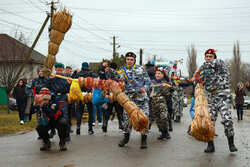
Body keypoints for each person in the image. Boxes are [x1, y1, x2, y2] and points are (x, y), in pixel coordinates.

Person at [193, 49, 237, 153]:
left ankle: (231, 143)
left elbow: (213, 63)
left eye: (210, 56)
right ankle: (210, 145)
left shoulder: (220, 64)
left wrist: (199, 69)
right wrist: (197, 78)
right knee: (209, 122)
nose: (208, 58)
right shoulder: (206, 72)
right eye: (206, 57)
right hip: (212, 97)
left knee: (227, 120)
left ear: (214, 57)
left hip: (223, 97)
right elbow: (202, 82)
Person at [117, 52, 151, 149]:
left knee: (144, 118)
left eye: (131, 60)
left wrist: (145, 88)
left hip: (141, 99)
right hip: (128, 100)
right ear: (126, 60)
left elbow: (148, 81)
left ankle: (143, 140)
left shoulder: (141, 69)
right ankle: (126, 138)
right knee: (127, 119)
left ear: (134, 60)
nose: (129, 61)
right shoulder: (121, 70)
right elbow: (117, 82)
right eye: (128, 59)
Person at [47, 63, 71, 141]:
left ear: (63, 70)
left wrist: (69, 84)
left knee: (65, 116)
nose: (59, 71)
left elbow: (70, 89)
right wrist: (50, 79)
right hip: (54, 98)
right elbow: (47, 86)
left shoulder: (66, 77)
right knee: (52, 115)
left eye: (61, 69)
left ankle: (66, 135)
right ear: (56, 70)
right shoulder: (52, 76)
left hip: (63, 98)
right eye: (58, 69)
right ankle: (52, 130)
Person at [74, 62, 96, 135]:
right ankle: (90, 129)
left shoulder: (78, 74)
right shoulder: (91, 73)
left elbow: (73, 80)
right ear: (88, 66)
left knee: (79, 111)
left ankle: (78, 126)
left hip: (80, 94)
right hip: (88, 95)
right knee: (90, 112)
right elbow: (96, 78)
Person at [149, 66, 171, 140]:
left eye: (159, 73)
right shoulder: (151, 82)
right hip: (153, 103)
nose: (157, 75)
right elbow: (148, 92)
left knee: (164, 117)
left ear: (162, 75)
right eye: (156, 73)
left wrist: (166, 87)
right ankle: (162, 133)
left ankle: (166, 132)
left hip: (162, 102)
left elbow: (171, 90)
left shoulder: (165, 83)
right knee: (158, 119)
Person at [102, 62, 124, 132]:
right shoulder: (116, 73)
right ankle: (121, 124)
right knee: (119, 110)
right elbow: (120, 80)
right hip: (116, 94)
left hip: (108, 94)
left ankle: (105, 123)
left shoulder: (106, 73)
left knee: (107, 110)